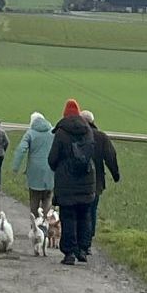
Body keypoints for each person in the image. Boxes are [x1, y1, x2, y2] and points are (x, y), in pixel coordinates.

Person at [48, 99, 96, 265]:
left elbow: (52, 158)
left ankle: (69, 253)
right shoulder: (88, 131)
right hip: (87, 180)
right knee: (84, 215)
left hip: (66, 182)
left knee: (68, 217)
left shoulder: (61, 133)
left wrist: (59, 169)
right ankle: (83, 250)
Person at [80, 110, 120, 252]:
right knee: (91, 211)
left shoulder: (76, 136)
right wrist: (116, 175)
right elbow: (111, 156)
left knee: (79, 211)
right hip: (96, 183)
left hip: (78, 181)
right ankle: (88, 242)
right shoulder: (101, 137)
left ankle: (79, 241)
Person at [12, 112, 54, 217]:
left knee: (34, 199)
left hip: (35, 172)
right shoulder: (53, 132)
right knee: (48, 197)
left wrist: (15, 167)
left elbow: (21, 149)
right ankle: (45, 224)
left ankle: (34, 224)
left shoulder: (30, 133)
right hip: (50, 170)